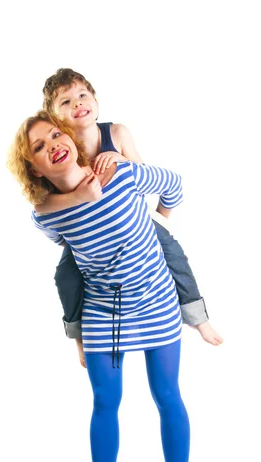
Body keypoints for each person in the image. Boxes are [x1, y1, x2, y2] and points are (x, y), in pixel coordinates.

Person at [7, 110, 192, 462]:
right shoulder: (46, 215)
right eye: (39, 146)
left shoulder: (121, 174)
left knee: (167, 395)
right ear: (34, 167)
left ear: (70, 137)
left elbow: (175, 186)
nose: (52, 143)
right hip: (104, 315)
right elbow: (59, 238)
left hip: (157, 302)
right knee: (105, 402)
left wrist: (159, 222)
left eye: (55, 133)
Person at [40, 68, 223, 368]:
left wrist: (157, 216)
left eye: (83, 95)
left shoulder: (117, 133)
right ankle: (79, 337)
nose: (77, 104)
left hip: (133, 219)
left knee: (173, 254)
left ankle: (196, 317)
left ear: (95, 99)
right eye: (66, 102)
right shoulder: (63, 149)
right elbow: (46, 204)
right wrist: (69, 235)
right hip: (91, 234)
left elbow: (145, 175)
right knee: (65, 275)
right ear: (54, 117)